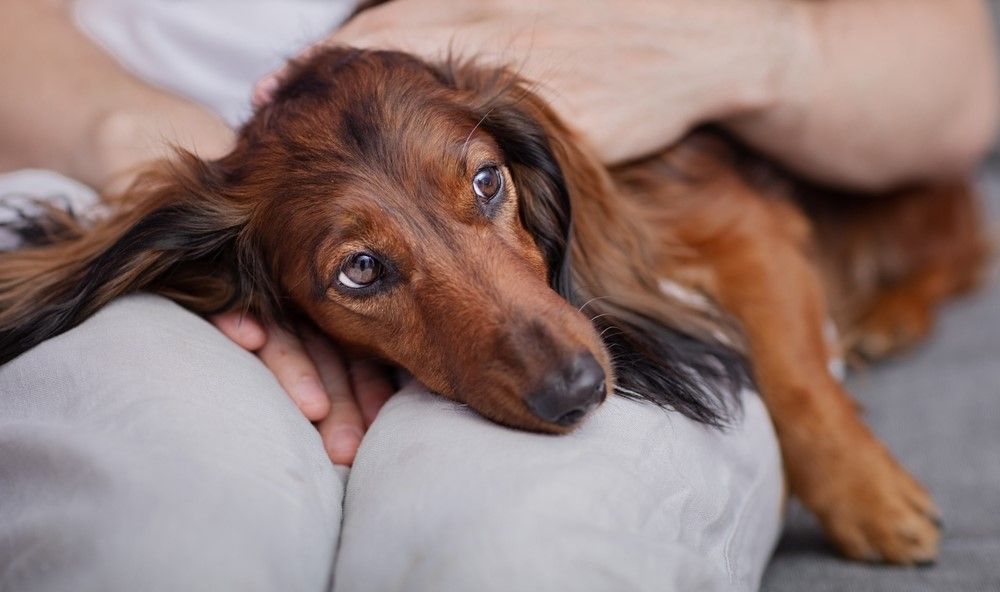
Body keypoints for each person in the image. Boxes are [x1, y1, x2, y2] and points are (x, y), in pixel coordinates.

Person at [0, 1, 996, 591]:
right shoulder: (181, 223)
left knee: (522, 548)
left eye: (485, 190)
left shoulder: (546, 160)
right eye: (369, 270)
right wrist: (121, 131)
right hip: (134, 197)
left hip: (608, 218)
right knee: (153, 529)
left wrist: (712, 48)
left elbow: (957, 83)